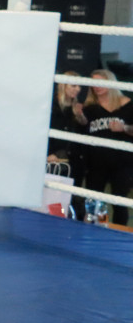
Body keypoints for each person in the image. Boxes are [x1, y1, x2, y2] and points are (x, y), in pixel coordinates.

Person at [82, 69, 133, 225]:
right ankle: (99, 228)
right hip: (96, 161)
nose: (97, 87)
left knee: (119, 201)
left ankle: (119, 234)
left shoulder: (128, 105)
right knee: (96, 200)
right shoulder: (89, 108)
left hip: (122, 162)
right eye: (94, 83)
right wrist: (80, 117)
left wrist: (124, 128)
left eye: (101, 83)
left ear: (110, 82)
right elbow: (83, 130)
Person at [48, 71, 87, 216]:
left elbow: (84, 132)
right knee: (53, 195)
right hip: (54, 157)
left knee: (75, 195)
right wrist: (48, 153)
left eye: (79, 86)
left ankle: (78, 227)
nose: (77, 89)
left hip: (74, 158)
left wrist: (80, 116)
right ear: (63, 85)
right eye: (73, 85)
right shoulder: (51, 104)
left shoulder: (77, 107)